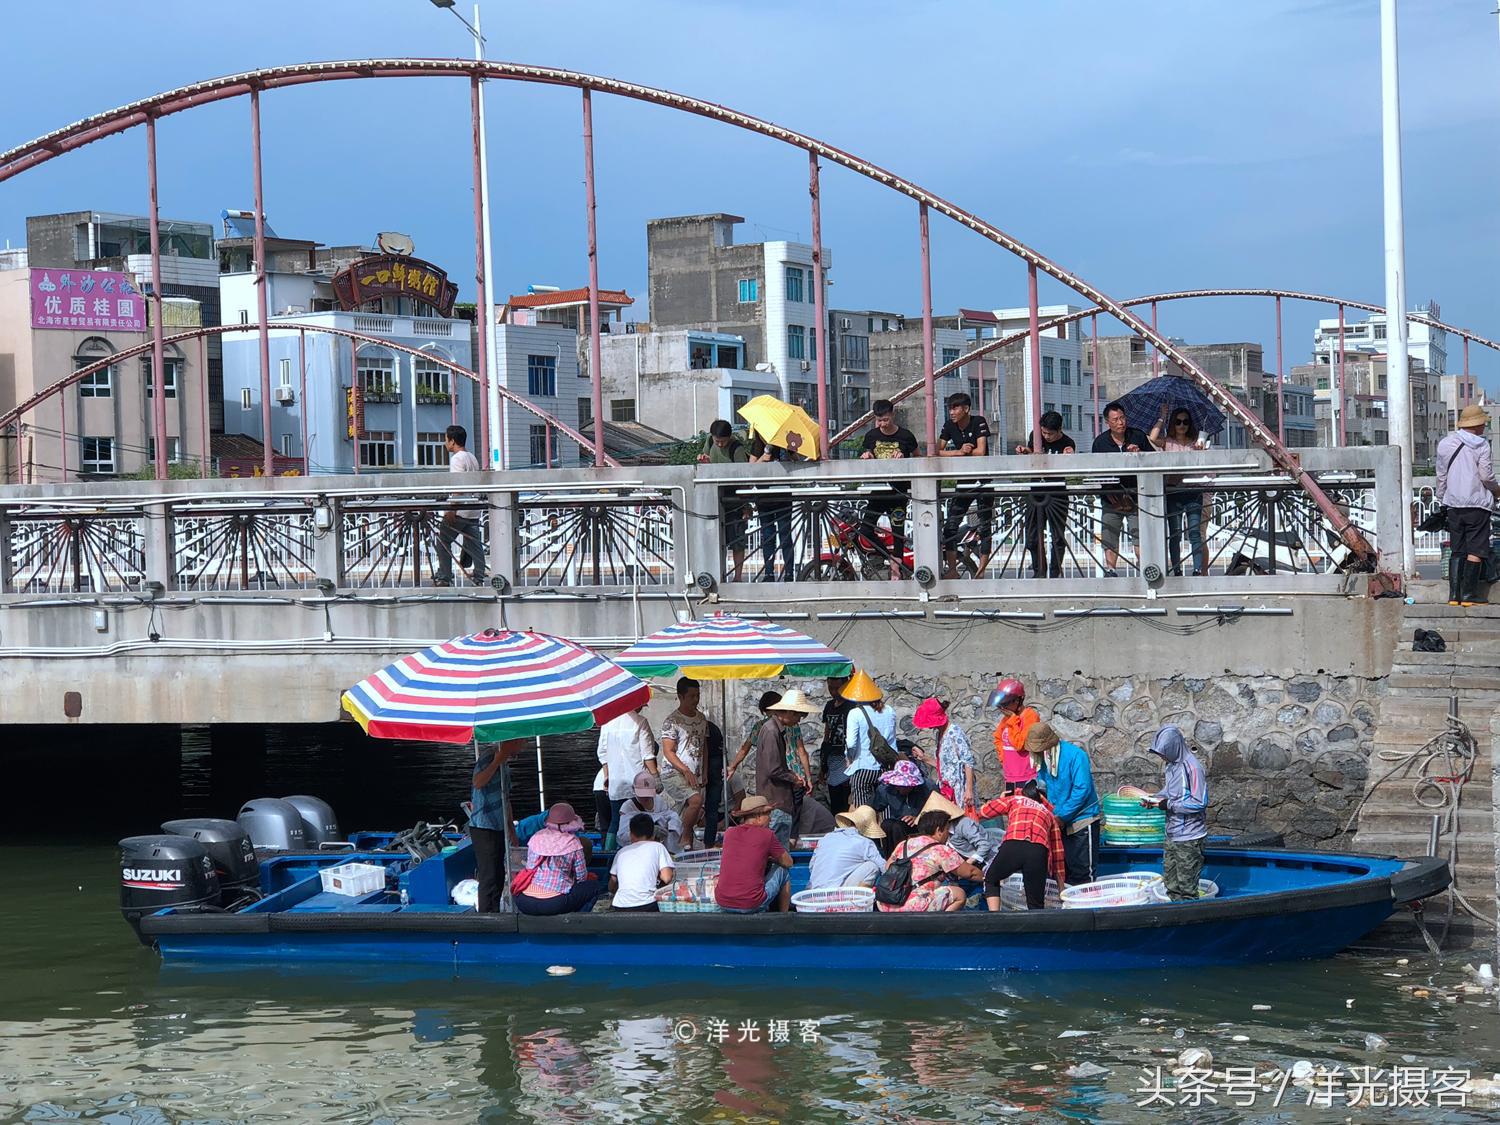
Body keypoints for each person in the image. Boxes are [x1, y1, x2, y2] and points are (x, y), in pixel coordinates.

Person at [1436, 403, 1500, 606]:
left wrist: (1441, 498)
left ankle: (1453, 595)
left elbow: (1441, 475)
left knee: (1457, 549)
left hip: (1453, 504)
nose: (1484, 427)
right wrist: (1496, 490)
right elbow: (1486, 476)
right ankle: (1469, 595)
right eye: (1483, 424)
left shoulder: (1445, 444)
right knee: (1476, 550)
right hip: (1477, 504)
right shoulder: (1481, 445)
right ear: (1478, 424)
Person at [1026, 722, 1101, 886]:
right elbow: (1044, 786)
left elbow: (1082, 789)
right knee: (1062, 872)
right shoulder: (1042, 760)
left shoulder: (1076, 755)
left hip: (1082, 819)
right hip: (1057, 820)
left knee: (1083, 873)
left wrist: (1061, 815)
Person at [1142, 725, 1209, 901]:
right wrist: (1153, 799)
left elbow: (1199, 802)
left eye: (1163, 752)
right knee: (1171, 885)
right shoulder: (1171, 766)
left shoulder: (1193, 768)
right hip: (1171, 834)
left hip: (1189, 837)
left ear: (1174, 747)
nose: (1161, 757)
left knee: (1187, 888)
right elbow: (1169, 792)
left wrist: (1169, 805)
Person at [978, 780, 1068, 911]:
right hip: (1038, 851)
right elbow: (1058, 854)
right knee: (1036, 904)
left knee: (991, 879)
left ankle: (995, 919)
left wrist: (1002, 798)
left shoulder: (1015, 799)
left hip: (1013, 844)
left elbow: (986, 811)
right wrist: (1061, 890)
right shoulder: (1049, 814)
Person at [875, 810, 985, 913]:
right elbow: (970, 873)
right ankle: (939, 926)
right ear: (938, 831)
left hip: (886, 902)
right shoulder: (940, 850)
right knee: (959, 894)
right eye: (946, 829)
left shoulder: (903, 844)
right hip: (911, 905)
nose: (948, 834)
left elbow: (888, 866)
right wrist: (987, 878)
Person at [858, 399, 921, 579]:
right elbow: (866, 454)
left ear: (892, 415)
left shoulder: (906, 436)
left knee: (898, 532)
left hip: (898, 493)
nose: (882, 424)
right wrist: (867, 455)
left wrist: (904, 458)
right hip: (878, 491)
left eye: (885, 419)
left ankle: (898, 571)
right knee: (866, 529)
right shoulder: (871, 436)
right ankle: (890, 557)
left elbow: (918, 458)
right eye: (879, 420)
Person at [1091, 401, 1154, 577]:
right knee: (1109, 533)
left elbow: (1153, 460)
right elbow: (1096, 471)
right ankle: (1111, 570)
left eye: (1123, 418)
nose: (1121, 423)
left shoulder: (1138, 436)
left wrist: (1139, 454)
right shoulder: (1100, 442)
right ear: (1108, 422)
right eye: (1116, 419)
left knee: (1139, 533)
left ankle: (1144, 569)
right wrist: (1107, 493)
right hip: (1111, 497)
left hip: (1136, 495)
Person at [1014, 410, 1077, 578]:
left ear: (1059, 430)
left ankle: (1055, 571)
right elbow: (1032, 455)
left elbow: (1069, 465)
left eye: (1050, 433)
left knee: (1057, 537)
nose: (1046, 436)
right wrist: (1026, 452)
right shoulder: (1036, 436)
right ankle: (1038, 571)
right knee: (1032, 536)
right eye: (1043, 432)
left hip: (1057, 494)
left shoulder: (1068, 442)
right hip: (1036, 491)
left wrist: (1068, 457)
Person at [513, 803, 606, 916]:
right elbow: (581, 877)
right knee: (594, 886)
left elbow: (530, 867)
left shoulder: (536, 837)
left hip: (524, 901)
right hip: (554, 903)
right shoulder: (573, 843)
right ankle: (578, 919)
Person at [937, 392, 993, 577]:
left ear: (966, 409)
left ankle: (982, 571)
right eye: (950, 408)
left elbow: (981, 451)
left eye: (955, 408)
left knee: (985, 525)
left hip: (983, 480)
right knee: (951, 526)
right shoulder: (949, 425)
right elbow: (937, 450)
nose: (951, 412)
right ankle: (952, 570)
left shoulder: (979, 421)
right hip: (964, 482)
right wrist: (959, 452)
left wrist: (964, 452)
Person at [754, 690, 819, 846]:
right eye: (798, 716)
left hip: (778, 799)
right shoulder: (771, 731)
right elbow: (773, 769)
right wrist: (794, 778)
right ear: (789, 712)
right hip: (776, 800)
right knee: (778, 853)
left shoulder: (775, 729)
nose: (798, 720)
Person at [467, 740, 524, 913]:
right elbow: (478, 782)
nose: (523, 747)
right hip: (483, 826)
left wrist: (512, 830)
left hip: (499, 825)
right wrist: (497, 760)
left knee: (499, 874)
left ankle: (495, 911)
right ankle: (486, 916)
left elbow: (506, 798)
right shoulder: (489, 757)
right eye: (521, 743)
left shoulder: (505, 764)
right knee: (489, 876)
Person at [1149, 405, 1206, 576]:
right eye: (1178, 422)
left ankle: (1197, 569)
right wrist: (1162, 417)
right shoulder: (1167, 442)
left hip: (1193, 491)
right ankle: (1176, 569)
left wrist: (1200, 451)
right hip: (1173, 492)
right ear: (1173, 424)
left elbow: (1203, 466)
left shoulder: (1195, 443)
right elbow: (1152, 438)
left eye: (1186, 422)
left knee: (1194, 532)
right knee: (1175, 534)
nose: (1182, 425)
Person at [715, 795, 793, 913]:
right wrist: (773, 859)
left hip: (722, 901)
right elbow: (788, 862)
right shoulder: (767, 835)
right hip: (750, 904)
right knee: (783, 871)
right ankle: (784, 916)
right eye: (768, 815)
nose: (770, 819)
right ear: (758, 816)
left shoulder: (729, 833)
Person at [597, 705, 657, 850]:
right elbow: (647, 755)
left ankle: (609, 858)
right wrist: (655, 776)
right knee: (641, 821)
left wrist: (607, 778)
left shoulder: (607, 723)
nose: (643, 707)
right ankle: (640, 854)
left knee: (615, 821)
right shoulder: (640, 722)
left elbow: (602, 754)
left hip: (616, 783)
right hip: (639, 783)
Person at [699, 419, 752, 582]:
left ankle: (737, 577)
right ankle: (717, 574)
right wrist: (704, 462)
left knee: (737, 540)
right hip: (714, 495)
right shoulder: (709, 441)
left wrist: (746, 505)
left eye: (723, 441)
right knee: (715, 538)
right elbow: (705, 465)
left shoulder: (737, 449)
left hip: (735, 498)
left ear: (730, 437)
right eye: (717, 441)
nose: (720, 445)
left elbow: (745, 479)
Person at [434, 424, 487, 587]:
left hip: (460, 510)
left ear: (452, 441)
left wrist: (452, 508)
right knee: (474, 544)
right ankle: (479, 576)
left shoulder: (457, 459)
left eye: (446, 440)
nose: (445, 443)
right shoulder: (472, 457)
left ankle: (445, 575)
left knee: (443, 540)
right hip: (473, 509)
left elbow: (458, 486)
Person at [658, 676, 708, 847]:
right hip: (674, 772)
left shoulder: (701, 719)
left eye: (697, 695)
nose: (695, 700)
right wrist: (685, 770)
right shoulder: (671, 722)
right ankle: (685, 837)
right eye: (691, 696)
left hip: (695, 774)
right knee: (696, 801)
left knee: (690, 810)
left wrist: (705, 770)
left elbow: (704, 746)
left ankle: (683, 843)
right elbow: (668, 751)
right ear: (681, 696)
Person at [749, 427, 803, 581]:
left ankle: (789, 572)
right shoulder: (757, 446)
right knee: (768, 536)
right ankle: (769, 573)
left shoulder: (786, 444)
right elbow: (749, 468)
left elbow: (797, 463)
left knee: (785, 535)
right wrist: (762, 460)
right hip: (764, 496)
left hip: (783, 496)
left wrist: (791, 453)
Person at [842, 670, 898, 808]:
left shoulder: (855, 713)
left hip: (863, 767)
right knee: (886, 808)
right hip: (886, 767)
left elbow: (851, 743)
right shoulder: (889, 710)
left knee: (863, 814)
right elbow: (892, 741)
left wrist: (849, 759)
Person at [911, 697, 975, 812]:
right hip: (946, 788)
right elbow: (944, 765)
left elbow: (968, 761)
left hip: (959, 789)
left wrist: (968, 790)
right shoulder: (939, 735)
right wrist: (923, 758)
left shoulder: (954, 733)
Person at [608, 812, 676, 912]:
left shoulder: (621, 852)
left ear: (631, 835)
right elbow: (667, 878)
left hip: (620, 905)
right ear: (653, 835)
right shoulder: (658, 847)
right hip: (647, 904)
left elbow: (612, 884)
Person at [807, 805, 886, 890]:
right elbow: (883, 867)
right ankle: (858, 902)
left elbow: (812, 866)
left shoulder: (826, 838)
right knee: (872, 866)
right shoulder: (864, 842)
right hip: (836, 894)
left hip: (814, 891)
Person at [920, 791, 1000, 869]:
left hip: (992, 860)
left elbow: (984, 845)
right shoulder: (944, 837)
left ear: (938, 830)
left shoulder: (964, 824)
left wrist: (968, 864)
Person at [988, 677, 1039, 793]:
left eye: (1005, 703)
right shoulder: (1007, 718)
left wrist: (1012, 719)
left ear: (1017, 701)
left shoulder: (1030, 716)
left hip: (1027, 777)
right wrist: (1004, 759)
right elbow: (998, 738)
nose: (1002, 708)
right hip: (1010, 777)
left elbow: (1019, 744)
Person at [871, 758, 936, 845]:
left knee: (899, 827)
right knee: (887, 824)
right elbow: (874, 808)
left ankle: (904, 856)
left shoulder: (928, 788)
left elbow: (938, 810)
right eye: (899, 785)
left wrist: (918, 817)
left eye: (905, 786)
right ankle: (891, 856)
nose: (901, 788)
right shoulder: (886, 789)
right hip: (896, 824)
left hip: (920, 826)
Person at [619, 770, 684, 853]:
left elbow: (671, 817)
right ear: (633, 789)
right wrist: (646, 831)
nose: (645, 798)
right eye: (642, 795)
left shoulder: (659, 801)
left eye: (648, 795)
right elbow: (622, 836)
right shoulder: (628, 807)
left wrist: (669, 828)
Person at [819, 675, 854, 814]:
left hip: (847, 758)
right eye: (830, 688)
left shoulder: (852, 706)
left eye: (836, 688)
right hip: (832, 757)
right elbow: (826, 734)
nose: (833, 692)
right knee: (835, 800)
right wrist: (823, 765)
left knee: (847, 801)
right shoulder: (829, 706)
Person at [702, 718, 727, 848]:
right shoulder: (712, 727)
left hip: (712, 764)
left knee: (710, 807)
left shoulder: (705, 726)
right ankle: (709, 843)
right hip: (716, 763)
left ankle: (707, 843)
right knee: (711, 807)